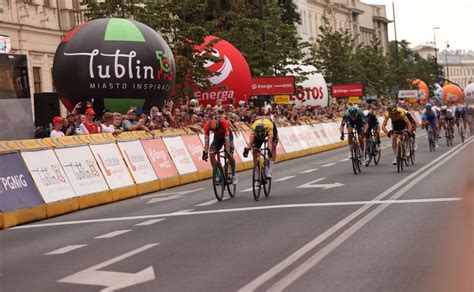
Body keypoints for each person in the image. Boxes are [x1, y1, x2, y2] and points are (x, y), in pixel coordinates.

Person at [201, 116, 238, 184]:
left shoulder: (224, 123)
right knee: (211, 153)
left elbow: (227, 140)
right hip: (217, 138)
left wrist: (227, 151)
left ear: (218, 124)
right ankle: (218, 175)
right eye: (213, 129)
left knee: (229, 155)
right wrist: (205, 152)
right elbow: (206, 141)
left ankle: (234, 174)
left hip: (228, 136)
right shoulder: (207, 126)